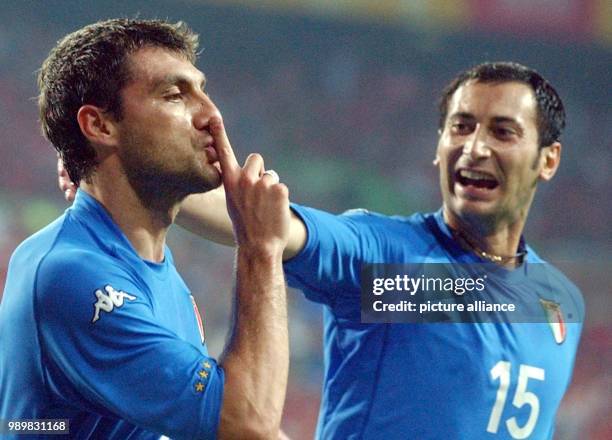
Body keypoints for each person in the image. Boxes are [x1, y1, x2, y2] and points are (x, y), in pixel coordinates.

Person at [59, 62, 585, 438]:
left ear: (548, 159)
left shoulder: (558, 301)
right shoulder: (390, 264)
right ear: (438, 146)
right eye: (461, 127)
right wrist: (124, 178)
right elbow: (268, 224)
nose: (475, 146)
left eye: (503, 131)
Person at [0, 19, 292, 439]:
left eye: (203, 91)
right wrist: (261, 247)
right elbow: (247, 425)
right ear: (100, 126)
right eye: (174, 95)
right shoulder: (71, 274)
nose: (211, 115)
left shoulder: (152, 272)